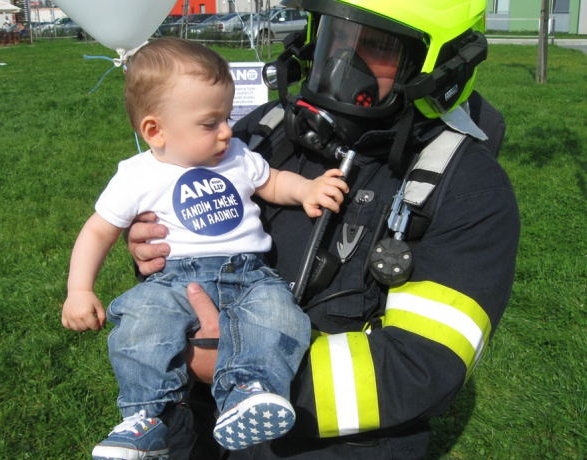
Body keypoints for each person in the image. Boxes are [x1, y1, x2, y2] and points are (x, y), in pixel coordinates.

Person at [126, 0, 520, 459]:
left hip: (326, 445)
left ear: (441, 67)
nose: (343, 62)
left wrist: (243, 370)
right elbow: (192, 244)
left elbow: (419, 366)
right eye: (337, 34)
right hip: (197, 429)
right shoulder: (262, 134)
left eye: (377, 48)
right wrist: (156, 249)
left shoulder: (469, 191)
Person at [61, 38, 349, 460]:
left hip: (251, 275)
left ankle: (247, 393)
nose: (227, 131)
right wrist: (79, 290)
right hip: (175, 278)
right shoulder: (136, 175)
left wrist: (305, 189)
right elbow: (98, 232)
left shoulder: (234, 155)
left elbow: (270, 181)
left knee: (278, 317)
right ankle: (147, 416)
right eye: (210, 122)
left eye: (227, 117)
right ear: (155, 131)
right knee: (142, 323)